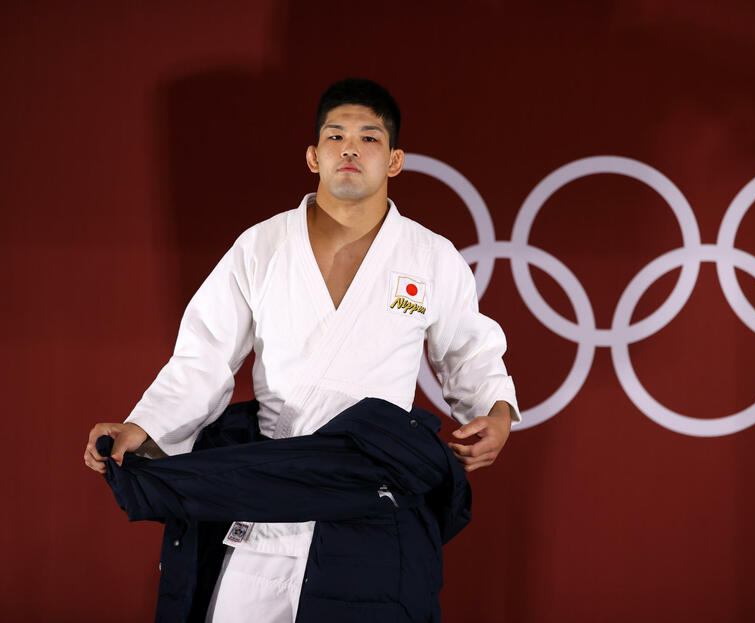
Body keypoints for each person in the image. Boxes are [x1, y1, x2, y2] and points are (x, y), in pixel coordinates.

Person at [84, 78, 519, 622]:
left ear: (396, 160)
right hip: (269, 491)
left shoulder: (431, 256)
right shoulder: (260, 246)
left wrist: (496, 413)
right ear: (314, 156)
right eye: (336, 136)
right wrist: (143, 426)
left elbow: (470, 352)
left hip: (370, 497)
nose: (351, 149)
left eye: (369, 138)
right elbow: (204, 357)